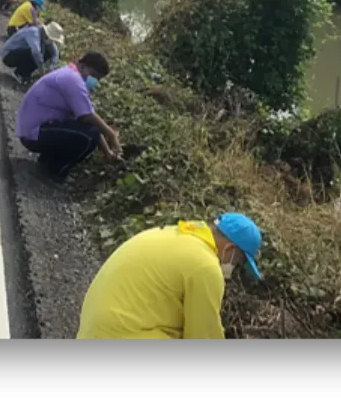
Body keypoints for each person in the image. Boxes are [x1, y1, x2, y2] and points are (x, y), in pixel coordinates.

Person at [76, 214, 264, 340]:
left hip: (95, 328)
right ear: (230, 249)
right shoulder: (206, 266)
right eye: (237, 263)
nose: (233, 269)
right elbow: (203, 336)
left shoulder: (174, 233)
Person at [15, 51, 121, 183]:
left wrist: (107, 152)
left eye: (97, 79)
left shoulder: (71, 76)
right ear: (82, 66)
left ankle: (47, 162)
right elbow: (88, 117)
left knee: (90, 131)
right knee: (89, 136)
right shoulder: (73, 79)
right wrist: (111, 135)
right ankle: (56, 170)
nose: (94, 81)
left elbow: (88, 117)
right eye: (93, 75)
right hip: (32, 133)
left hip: (34, 130)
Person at [0, 22, 64, 84]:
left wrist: (51, 67)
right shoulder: (34, 32)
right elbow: (36, 52)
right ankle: (20, 74)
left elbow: (55, 53)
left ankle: (23, 73)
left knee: (47, 53)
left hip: (20, 54)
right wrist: (42, 72)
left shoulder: (46, 38)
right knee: (36, 54)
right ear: (47, 35)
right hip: (8, 55)